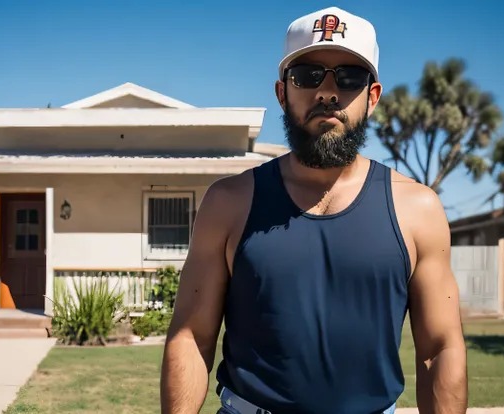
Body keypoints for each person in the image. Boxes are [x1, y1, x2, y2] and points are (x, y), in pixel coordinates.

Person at [160, 6, 467, 414]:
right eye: (307, 75)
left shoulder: (417, 208)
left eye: (349, 77)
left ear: (372, 97)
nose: (327, 93)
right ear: (282, 92)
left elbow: (439, 348)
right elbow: (191, 338)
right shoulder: (229, 202)